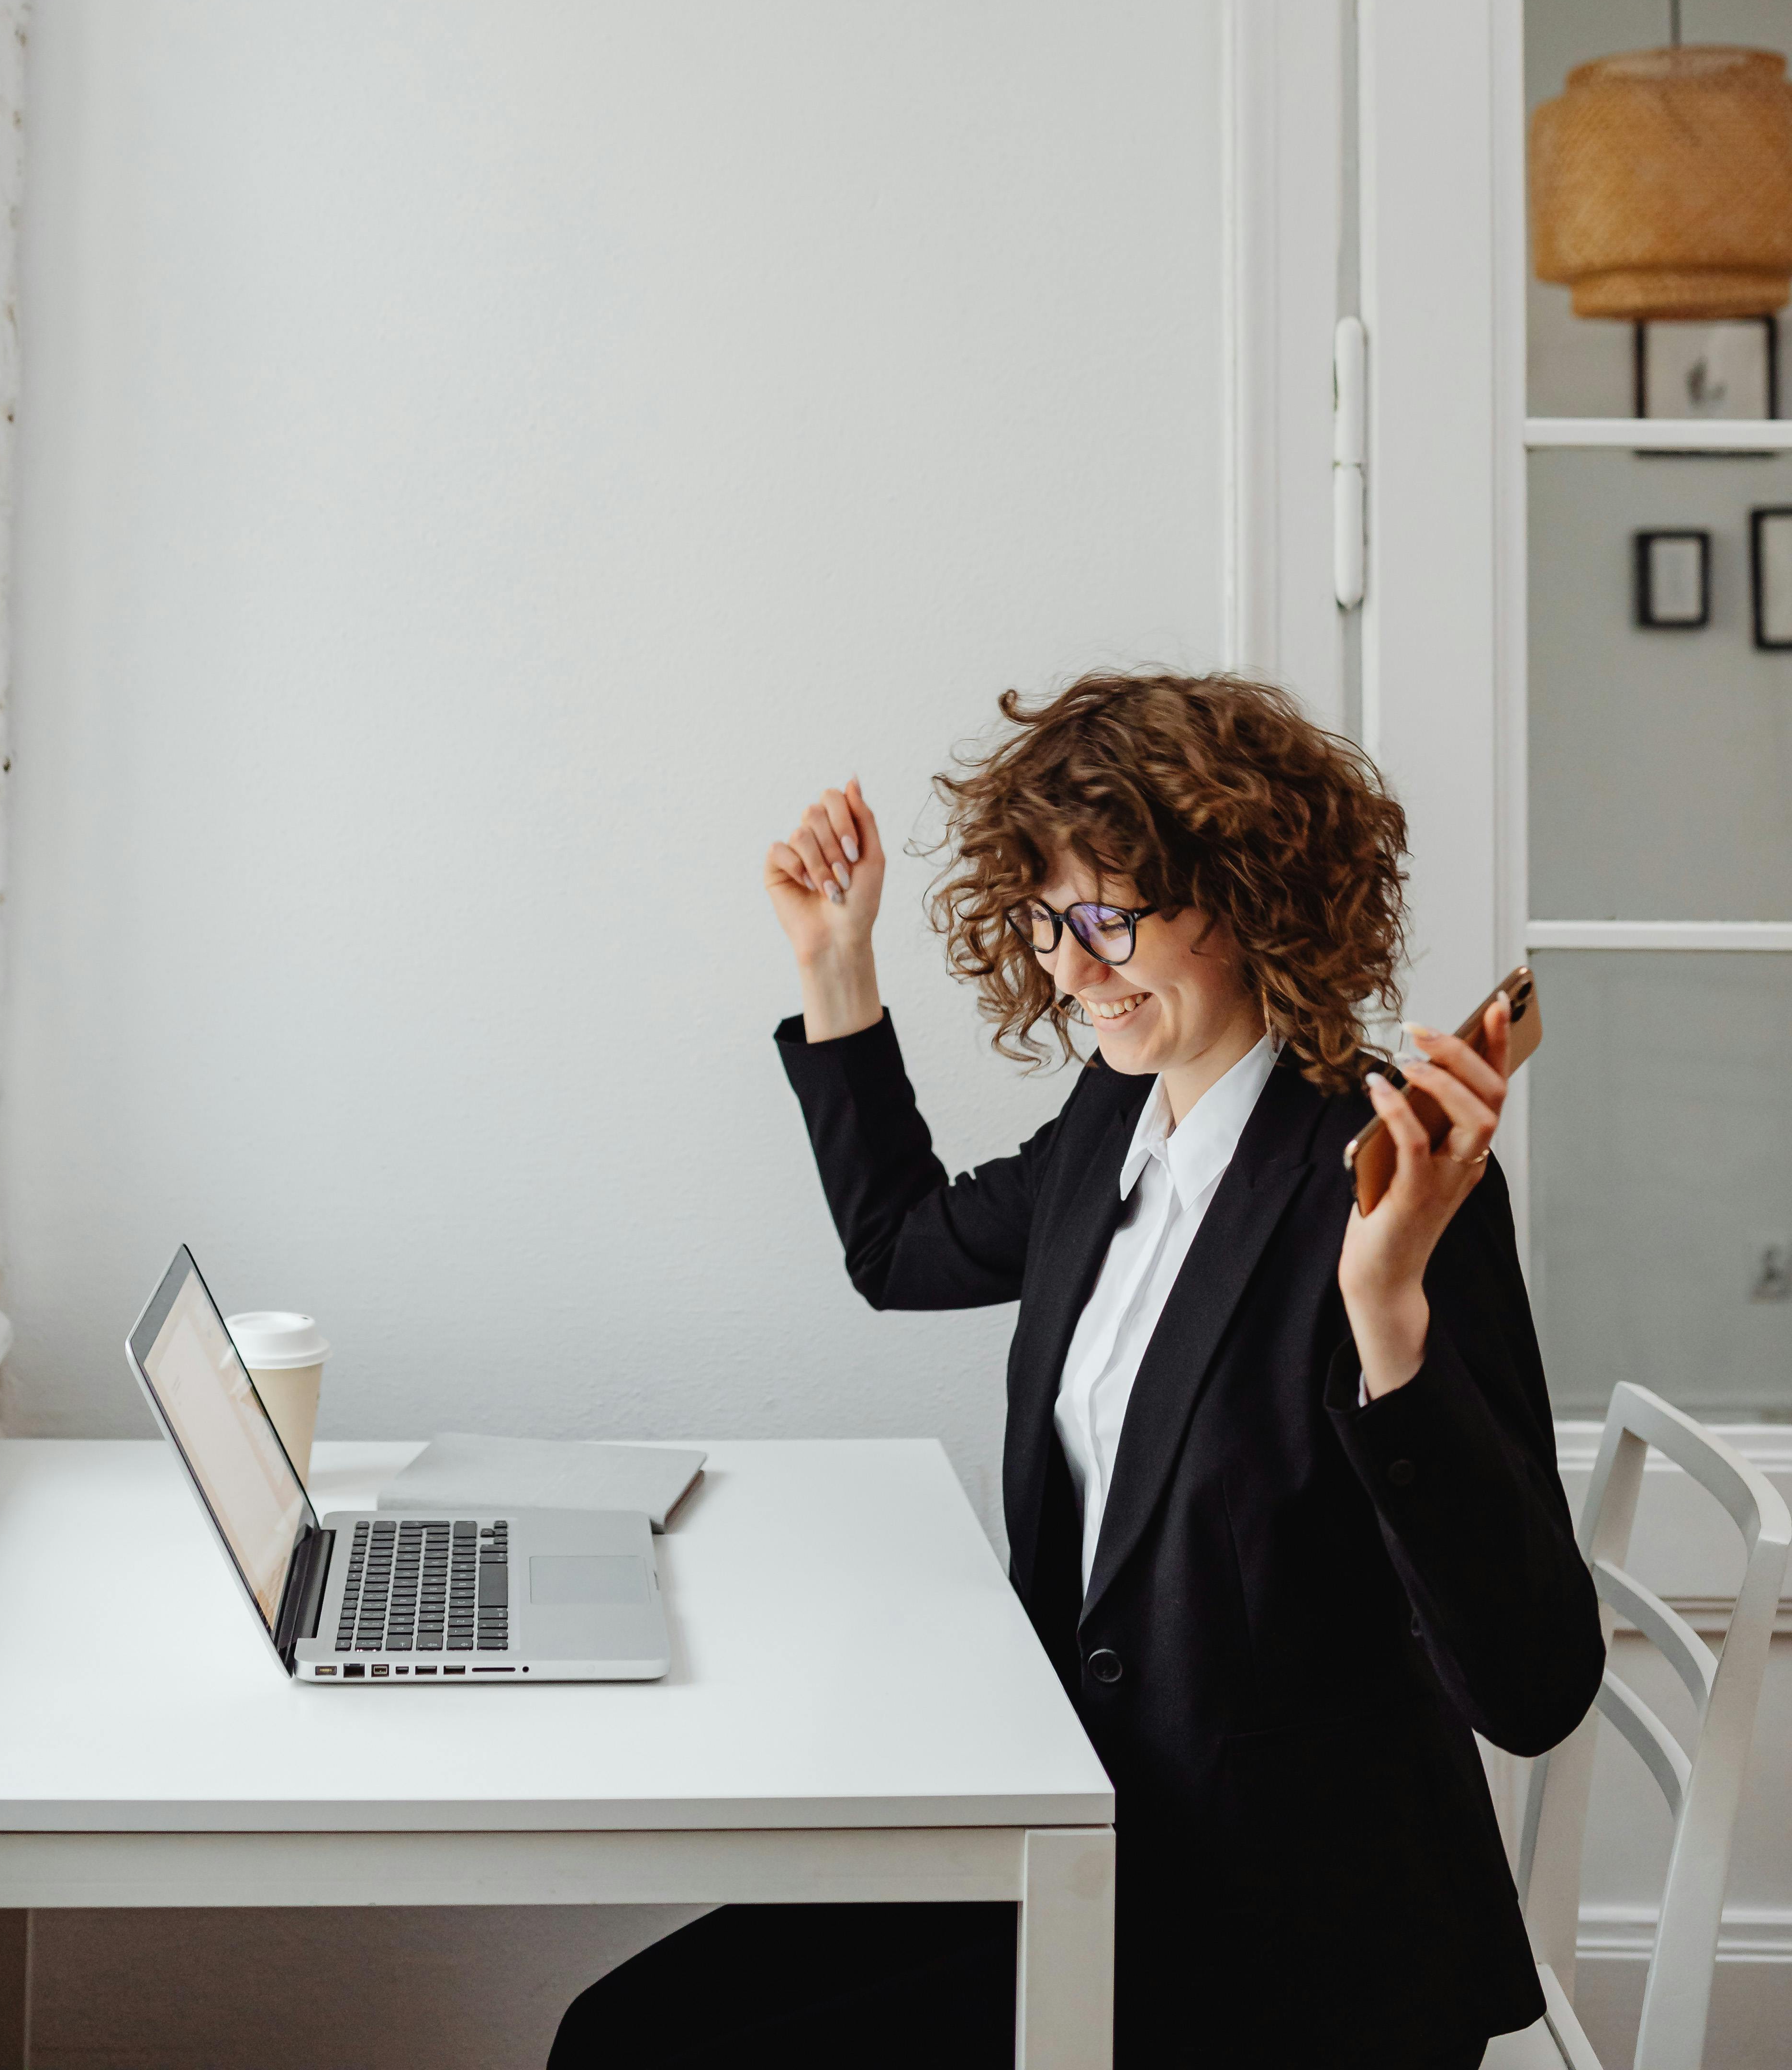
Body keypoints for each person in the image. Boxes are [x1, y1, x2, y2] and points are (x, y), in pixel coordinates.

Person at [549, 671, 1603, 2070]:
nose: (1068, 966)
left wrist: (1386, 1305)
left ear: (1248, 895)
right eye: (1047, 921)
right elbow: (899, 1249)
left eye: (1107, 918)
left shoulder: (1383, 1192)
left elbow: (1531, 1685)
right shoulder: (1118, 1118)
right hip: (1087, 1829)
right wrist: (836, 964)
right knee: (623, 2030)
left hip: (1275, 1939)